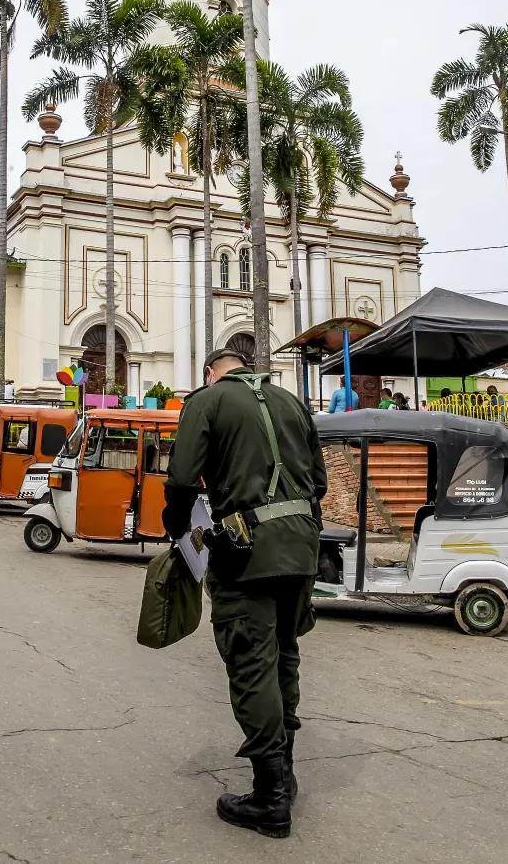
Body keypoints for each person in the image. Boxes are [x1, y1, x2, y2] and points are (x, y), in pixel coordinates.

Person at [162, 346, 327, 839]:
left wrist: (178, 533)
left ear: (212, 372)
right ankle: (286, 773)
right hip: (301, 549)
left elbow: (181, 479)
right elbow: (317, 481)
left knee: (252, 663)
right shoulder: (292, 401)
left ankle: (270, 798)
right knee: (283, 655)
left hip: (247, 552)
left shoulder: (208, 401)